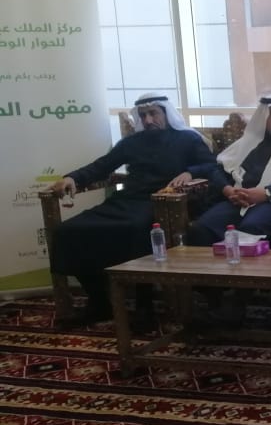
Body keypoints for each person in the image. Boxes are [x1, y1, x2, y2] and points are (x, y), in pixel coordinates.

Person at [48, 93, 215, 323]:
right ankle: (99, 301)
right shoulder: (132, 143)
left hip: (164, 203)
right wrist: (72, 178)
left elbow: (211, 165)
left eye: (153, 113)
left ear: (166, 113)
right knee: (67, 231)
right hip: (127, 200)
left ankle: (144, 305)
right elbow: (101, 166)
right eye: (143, 115)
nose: (148, 120)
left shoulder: (187, 139)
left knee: (136, 229)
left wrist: (190, 172)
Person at [174, 94, 271, 247]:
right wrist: (228, 190)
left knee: (251, 228)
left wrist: (266, 194)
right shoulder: (249, 142)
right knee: (202, 228)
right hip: (238, 201)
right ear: (264, 117)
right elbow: (217, 169)